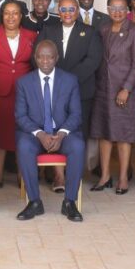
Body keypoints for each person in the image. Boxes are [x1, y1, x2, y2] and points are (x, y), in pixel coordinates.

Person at [14, 40, 85, 221]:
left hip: (62, 133)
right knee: (23, 146)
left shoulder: (69, 80)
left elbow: (76, 114)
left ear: (56, 58)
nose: (45, 61)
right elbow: (20, 116)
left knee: (78, 146)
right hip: (35, 134)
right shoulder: (24, 82)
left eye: (50, 57)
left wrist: (60, 134)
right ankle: (34, 202)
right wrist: (40, 134)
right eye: (41, 57)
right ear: (35, 58)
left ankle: (69, 202)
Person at [89, 0, 135, 195]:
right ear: (108, 10)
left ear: (127, 10)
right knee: (103, 134)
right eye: (113, 8)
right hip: (102, 89)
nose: (118, 12)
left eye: (121, 8)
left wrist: (127, 88)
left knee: (123, 135)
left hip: (123, 91)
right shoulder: (102, 29)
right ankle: (104, 176)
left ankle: (122, 178)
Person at [0, 0, 36, 187]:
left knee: (22, 134)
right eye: (7, 13)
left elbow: (34, 66)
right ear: (1, 16)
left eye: (15, 13)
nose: (11, 17)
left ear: (21, 16)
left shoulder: (32, 35)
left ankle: (22, 175)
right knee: (0, 134)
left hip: (24, 94)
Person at [37, 0, 103, 139]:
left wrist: (67, 80)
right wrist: (55, 78)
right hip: (52, 89)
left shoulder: (90, 31)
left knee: (79, 132)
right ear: (58, 12)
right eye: (63, 9)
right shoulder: (48, 30)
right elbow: (37, 56)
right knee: (54, 132)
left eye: (71, 9)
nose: (67, 13)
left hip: (81, 90)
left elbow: (93, 60)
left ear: (77, 11)